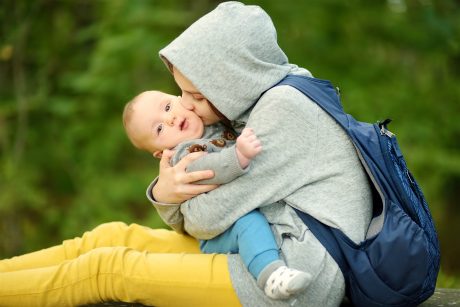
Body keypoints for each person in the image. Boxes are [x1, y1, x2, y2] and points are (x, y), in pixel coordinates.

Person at [0, 2, 372, 306]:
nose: (186, 108)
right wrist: (167, 194)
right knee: (109, 236)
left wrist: (172, 196)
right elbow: (212, 217)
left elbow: (210, 218)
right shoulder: (267, 98)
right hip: (266, 245)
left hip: (298, 274)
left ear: (230, 78)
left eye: (196, 96)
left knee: (107, 269)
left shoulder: (283, 112)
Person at [122, 90, 311, 299]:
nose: (170, 118)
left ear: (179, 98)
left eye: (167, 107)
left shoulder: (213, 124)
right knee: (249, 223)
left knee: (256, 223)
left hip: (235, 210)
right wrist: (239, 155)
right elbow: (208, 169)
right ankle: (270, 275)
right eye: (159, 129)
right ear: (160, 152)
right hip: (218, 233)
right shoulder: (182, 155)